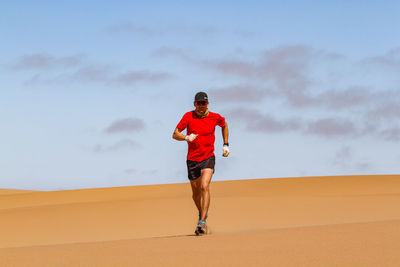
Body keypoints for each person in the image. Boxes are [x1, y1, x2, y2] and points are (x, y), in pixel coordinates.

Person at [172, 92, 229, 235]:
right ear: (194, 104)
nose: (201, 106)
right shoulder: (188, 116)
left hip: (208, 157)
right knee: (195, 194)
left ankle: (202, 222)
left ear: (208, 104)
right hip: (192, 159)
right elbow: (175, 134)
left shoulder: (215, 117)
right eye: (199, 103)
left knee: (205, 186)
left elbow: (224, 125)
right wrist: (186, 137)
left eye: (203, 103)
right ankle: (202, 213)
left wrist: (226, 144)